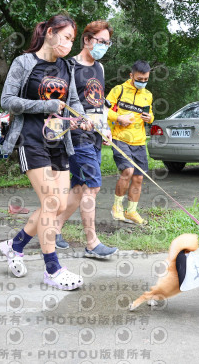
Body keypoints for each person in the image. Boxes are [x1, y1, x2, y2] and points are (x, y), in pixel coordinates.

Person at [0, 14, 89, 290]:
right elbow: (7, 100)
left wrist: (84, 119)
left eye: (72, 40)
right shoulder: (24, 63)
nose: (69, 45)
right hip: (31, 139)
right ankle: (52, 270)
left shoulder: (66, 67)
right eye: (67, 37)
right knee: (51, 202)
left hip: (59, 141)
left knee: (59, 205)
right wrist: (46, 106)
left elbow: (73, 101)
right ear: (50, 33)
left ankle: (15, 245)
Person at [55, 20, 118, 258]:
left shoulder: (100, 68)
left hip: (96, 135)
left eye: (107, 43)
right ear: (87, 39)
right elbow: (64, 102)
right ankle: (92, 243)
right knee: (93, 185)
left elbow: (100, 103)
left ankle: (53, 229)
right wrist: (78, 120)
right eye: (101, 41)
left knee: (80, 187)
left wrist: (106, 128)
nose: (104, 46)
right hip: (77, 134)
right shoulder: (69, 66)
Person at [106, 60, 154, 225]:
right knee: (128, 171)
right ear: (131, 75)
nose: (143, 82)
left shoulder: (148, 95)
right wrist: (118, 117)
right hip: (120, 138)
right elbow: (104, 110)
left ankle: (131, 211)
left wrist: (150, 118)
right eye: (139, 79)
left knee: (138, 178)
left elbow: (150, 115)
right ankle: (117, 207)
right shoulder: (118, 90)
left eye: (146, 79)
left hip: (139, 141)